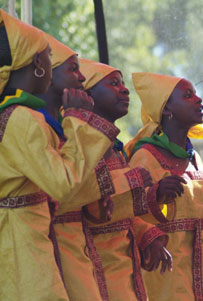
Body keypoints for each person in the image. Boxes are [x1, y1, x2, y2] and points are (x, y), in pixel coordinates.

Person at [0, 10, 119, 300]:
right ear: (39, 63)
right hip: (21, 249)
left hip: (24, 241)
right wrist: (79, 122)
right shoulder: (20, 117)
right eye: (51, 59)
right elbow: (63, 184)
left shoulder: (17, 113)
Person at [125, 72, 203, 301]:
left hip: (199, 268)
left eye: (196, 95)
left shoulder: (195, 157)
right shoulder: (145, 156)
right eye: (188, 95)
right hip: (165, 269)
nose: (198, 100)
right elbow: (127, 213)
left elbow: (192, 216)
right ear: (166, 109)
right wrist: (155, 195)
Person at [80, 58, 173, 301]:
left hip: (125, 266)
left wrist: (147, 234)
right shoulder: (81, 143)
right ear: (87, 94)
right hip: (95, 263)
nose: (124, 89)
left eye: (123, 83)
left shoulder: (116, 148)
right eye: (113, 83)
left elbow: (123, 211)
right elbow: (87, 204)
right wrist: (133, 181)